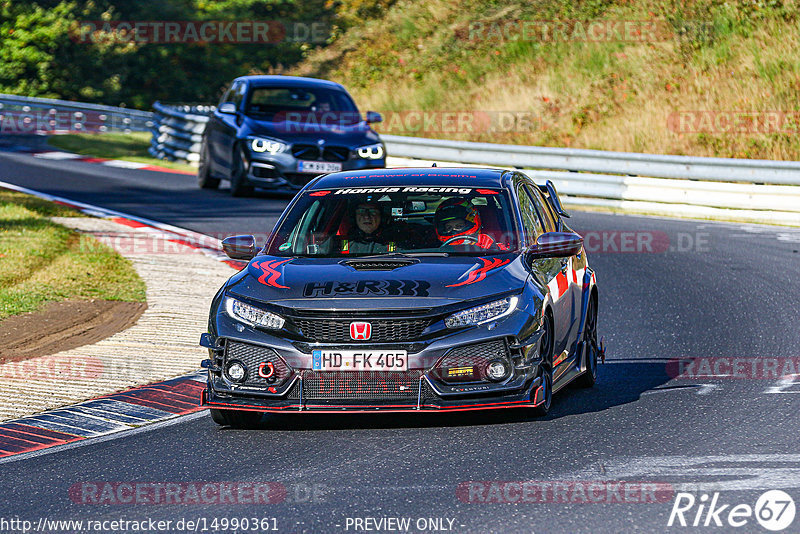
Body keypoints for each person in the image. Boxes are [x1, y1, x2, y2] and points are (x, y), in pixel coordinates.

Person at [434, 197, 503, 250]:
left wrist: (494, 248)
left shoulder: (485, 241)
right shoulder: (434, 249)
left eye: (459, 226)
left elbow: (503, 254)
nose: (454, 231)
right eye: (449, 227)